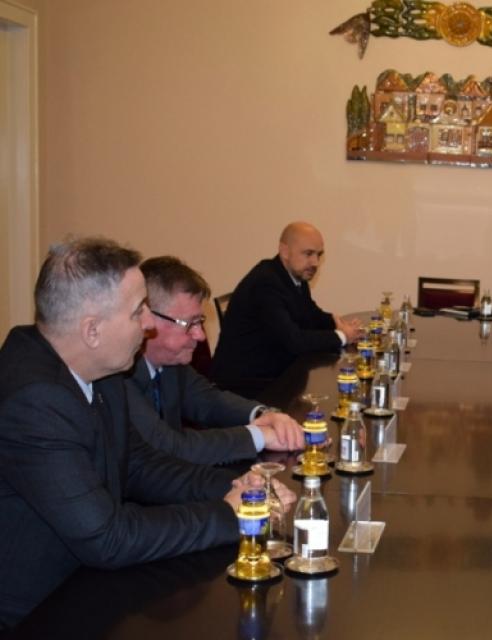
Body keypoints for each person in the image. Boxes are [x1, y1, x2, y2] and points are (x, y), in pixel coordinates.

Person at [0, 238, 296, 628]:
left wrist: (244, 490)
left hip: (85, 580)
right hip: (37, 611)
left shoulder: (100, 369)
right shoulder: (35, 401)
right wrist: (229, 514)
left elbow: (141, 465)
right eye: (138, 310)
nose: (148, 324)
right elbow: (108, 538)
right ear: (92, 330)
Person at [126, 256, 305, 465]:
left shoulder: (172, 364)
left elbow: (210, 401)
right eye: (190, 323)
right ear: (149, 319)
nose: (201, 335)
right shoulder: (121, 375)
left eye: (200, 322)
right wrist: (258, 436)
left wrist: (265, 415)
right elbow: (169, 447)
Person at [211, 222, 362, 393]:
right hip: (245, 385)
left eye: (319, 255)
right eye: (308, 253)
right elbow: (294, 341)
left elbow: (310, 315)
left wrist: (338, 323)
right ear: (284, 251)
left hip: (273, 372)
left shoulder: (295, 276)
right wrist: (342, 336)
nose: (315, 262)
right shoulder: (265, 283)